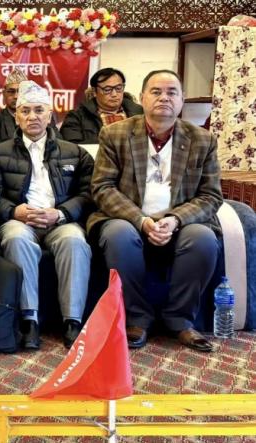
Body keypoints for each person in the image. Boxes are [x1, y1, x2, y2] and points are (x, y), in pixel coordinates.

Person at [89, 70, 223, 352]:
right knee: (118, 235)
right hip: (128, 218)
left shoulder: (203, 140)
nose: (164, 98)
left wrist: (175, 219)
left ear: (182, 99)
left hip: (180, 222)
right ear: (141, 98)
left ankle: (180, 320)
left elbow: (211, 196)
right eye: (156, 91)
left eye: (172, 92)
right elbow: (102, 188)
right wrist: (141, 220)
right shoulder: (115, 134)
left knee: (203, 238)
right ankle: (137, 319)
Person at [0, 80, 94, 350]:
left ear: (50, 116)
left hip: (60, 220)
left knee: (74, 242)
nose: (32, 117)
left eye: (39, 110)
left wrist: (60, 213)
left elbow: (88, 194)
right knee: (16, 239)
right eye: (25, 111)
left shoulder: (76, 153)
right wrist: (13, 211)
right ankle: (29, 320)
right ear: (16, 116)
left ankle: (72, 320)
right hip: (19, 221)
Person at [60, 67, 143, 144]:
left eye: (118, 88)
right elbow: (72, 147)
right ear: (94, 92)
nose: (114, 94)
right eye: (107, 90)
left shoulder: (140, 113)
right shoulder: (76, 117)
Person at [0, 69, 60, 145]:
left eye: (20, 91)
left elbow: (59, 144)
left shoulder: (43, 116)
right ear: (4, 94)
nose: (16, 96)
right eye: (11, 92)